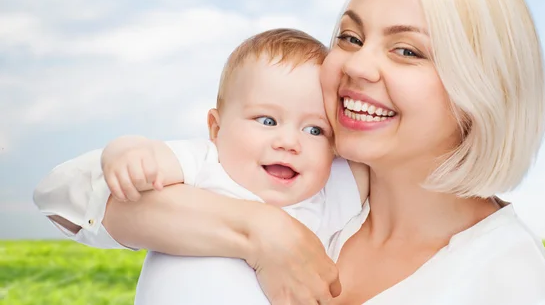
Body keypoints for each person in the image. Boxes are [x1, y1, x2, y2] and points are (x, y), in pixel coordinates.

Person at [34, 0, 545, 304]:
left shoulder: (507, 275)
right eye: (350, 38)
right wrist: (261, 232)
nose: (356, 66)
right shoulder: (309, 175)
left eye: (407, 50)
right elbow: (69, 197)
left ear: (482, 87)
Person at [35, 28, 368, 305]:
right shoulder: (204, 164)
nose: (289, 142)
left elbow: (388, 167)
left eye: (315, 130)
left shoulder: (324, 196)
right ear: (216, 128)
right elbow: (136, 161)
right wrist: (123, 151)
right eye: (267, 120)